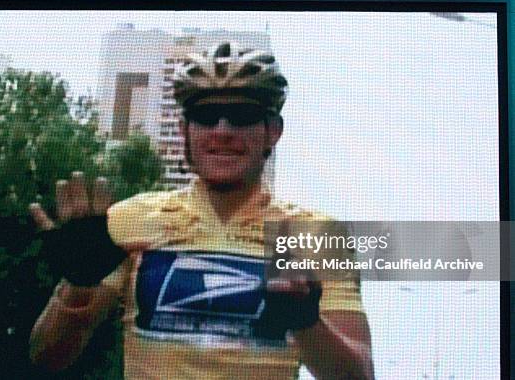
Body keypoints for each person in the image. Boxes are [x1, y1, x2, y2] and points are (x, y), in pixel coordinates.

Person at [28, 41, 374, 379]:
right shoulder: (129, 218)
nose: (222, 132)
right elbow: (47, 357)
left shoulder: (318, 235)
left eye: (242, 117)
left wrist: (307, 324)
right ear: (184, 132)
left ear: (273, 132)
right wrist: (77, 286)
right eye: (206, 116)